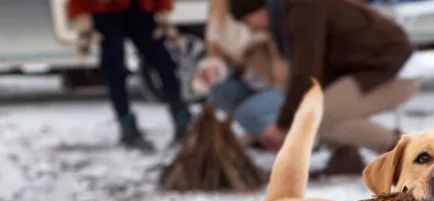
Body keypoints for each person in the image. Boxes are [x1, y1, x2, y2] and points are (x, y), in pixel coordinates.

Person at [229, 0, 420, 176]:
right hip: (370, 70)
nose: (250, 29)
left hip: (393, 70)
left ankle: (409, 155)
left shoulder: (302, 10)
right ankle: (345, 156)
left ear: (258, 8)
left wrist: (283, 125)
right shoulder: (290, 12)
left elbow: (307, 73)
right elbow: (310, 73)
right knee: (319, 109)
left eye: (246, 21)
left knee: (322, 117)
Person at [69, 0, 192, 151]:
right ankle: (127, 127)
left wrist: (164, 13)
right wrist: (82, 21)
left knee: (163, 61)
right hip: (105, 10)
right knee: (115, 69)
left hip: (138, 8)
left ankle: (182, 118)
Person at [194, 0, 288, 149]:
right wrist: (213, 69)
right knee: (220, 92)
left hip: (282, 84)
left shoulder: (268, 9)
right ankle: (260, 131)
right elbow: (217, 51)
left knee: (246, 114)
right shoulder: (219, 8)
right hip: (250, 80)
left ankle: (290, 134)